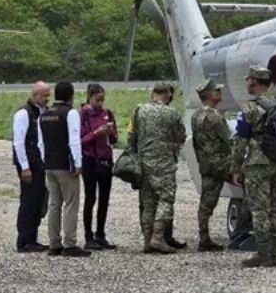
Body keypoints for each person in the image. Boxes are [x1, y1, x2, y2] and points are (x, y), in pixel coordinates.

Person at [232, 68, 276, 267]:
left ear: (254, 82)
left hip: (257, 163)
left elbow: (241, 140)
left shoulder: (249, 108)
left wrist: (236, 167)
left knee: (259, 209)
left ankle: (263, 254)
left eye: (249, 81)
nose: (247, 84)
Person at [129, 81, 185, 254]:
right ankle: (158, 237)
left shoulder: (139, 110)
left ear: (153, 93)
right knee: (166, 199)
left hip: (144, 163)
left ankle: (147, 240)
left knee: (148, 202)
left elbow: (132, 136)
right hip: (164, 164)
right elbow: (181, 136)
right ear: (167, 94)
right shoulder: (172, 113)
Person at [39, 81, 88, 258]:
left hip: (50, 164)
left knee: (54, 204)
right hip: (66, 165)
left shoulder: (44, 114)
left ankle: (54, 242)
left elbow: (40, 142)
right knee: (71, 204)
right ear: (71, 96)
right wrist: (78, 163)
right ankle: (70, 243)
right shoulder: (70, 113)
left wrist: (45, 161)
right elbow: (74, 140)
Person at [191, 78, 232, 251]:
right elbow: (228, 140)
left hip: (206, 164)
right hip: (221, 165)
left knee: (205, 202)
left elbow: (195, 142)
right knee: (211, 200)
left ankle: (204, 235)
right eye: (217, 91)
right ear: (210, 95)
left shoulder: (196, 115)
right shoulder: (216, 117)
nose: (220, 93)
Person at [80, 83, 119, 251]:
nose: (100, 103)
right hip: (90, 160)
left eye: (102, 100)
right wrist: (96, 134)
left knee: (104, 199)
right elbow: (80, 140)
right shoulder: (83, 115)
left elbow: (116, 139)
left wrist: (111, 133)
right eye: (97, 100)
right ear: (89, 97)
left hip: (105, 160)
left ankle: (100, 234)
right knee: (90, 198)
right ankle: (88, 236)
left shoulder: (107, 113)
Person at [12, 81, 50, 252]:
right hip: (30, 165)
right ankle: (23, 240)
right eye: (44, 95)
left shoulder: (43, 113)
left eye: (48, 95)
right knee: (28, 202)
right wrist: (24, 166)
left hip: (40, 164)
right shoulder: (24, 114)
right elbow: (18, 142)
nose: (47, 99)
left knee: (38, 202)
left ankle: (32, 237)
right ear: (35, 95)